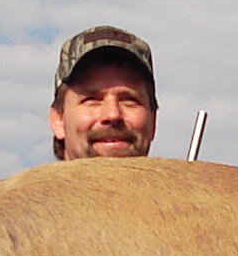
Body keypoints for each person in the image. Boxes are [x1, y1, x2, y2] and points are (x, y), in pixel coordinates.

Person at [50, 25, 159, 160]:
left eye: (129, 100)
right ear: (58, 120)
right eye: (91, 100)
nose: (113, 114)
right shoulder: (23, 181)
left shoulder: (187, 181)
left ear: (153, 121)